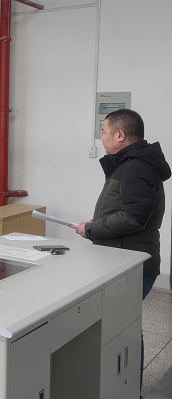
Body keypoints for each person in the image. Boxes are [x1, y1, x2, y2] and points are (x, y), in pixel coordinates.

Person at [71, 109, 170, 388]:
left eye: (104, 132)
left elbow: (134, 217)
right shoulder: (132, 164)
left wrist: (92, 229)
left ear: (120, 135)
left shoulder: (136, 167)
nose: (101, 138)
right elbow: (125, 211)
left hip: (131, 263)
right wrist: (95, 224)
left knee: (124, 327)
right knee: (124, 324)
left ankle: (127, 387)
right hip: (126, 258)